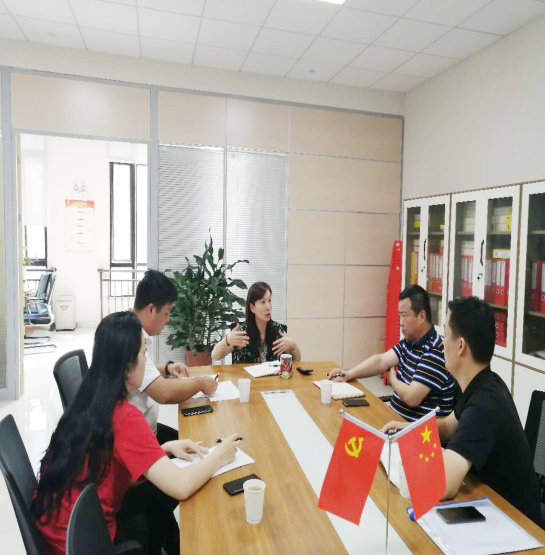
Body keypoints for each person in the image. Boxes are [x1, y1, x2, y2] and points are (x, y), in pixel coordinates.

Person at [32, 311, 241, 554]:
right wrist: (220, 455)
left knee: (158, 504)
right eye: (144, 352)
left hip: (58, 531)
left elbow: (107, 465)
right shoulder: (124, 416)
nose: (147, 361)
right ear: (127, 367)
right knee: (167, 499)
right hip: (84, 543)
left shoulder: (90, 397)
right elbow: (181, 486)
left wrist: (162, 449)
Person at [382, 297, 543, 526]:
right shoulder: (484, 382)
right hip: (490, 510)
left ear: (460, 346)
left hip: (516, 526)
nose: (441, 342)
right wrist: (410, 429)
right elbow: (449, 426)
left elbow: (443, 484)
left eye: (445, 335)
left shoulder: (485, 404)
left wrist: (415, 453)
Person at [328, 285, 456, 422]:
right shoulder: (410, 342)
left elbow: (412, 398)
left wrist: (392, 379)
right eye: (399, 316)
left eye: (404, 316)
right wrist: (348, 374)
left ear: (421, 316)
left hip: (413, 430)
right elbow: (381, 361)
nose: (401, 323)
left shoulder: (434, 352)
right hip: (394, 421)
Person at [131, 269, 217, 441]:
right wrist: (200, 383)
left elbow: (141, 372)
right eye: (167, 313)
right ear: (151, 310)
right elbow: (164, 393)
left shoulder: (130, 327)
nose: (168, 319)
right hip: (138, 439)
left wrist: (167, 369)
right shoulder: (130, 338)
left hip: (146, 429)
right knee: (202, 443)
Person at [211, 281, 301, 364]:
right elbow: (215, 356)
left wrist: (293, 346)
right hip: (244, 377)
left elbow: (297, 360)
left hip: (273, 377)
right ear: (252, 307)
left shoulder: (278, 330)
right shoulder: (241, 333)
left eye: (269, 300)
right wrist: (227, 340)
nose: (268, 306)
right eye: (263, 302)